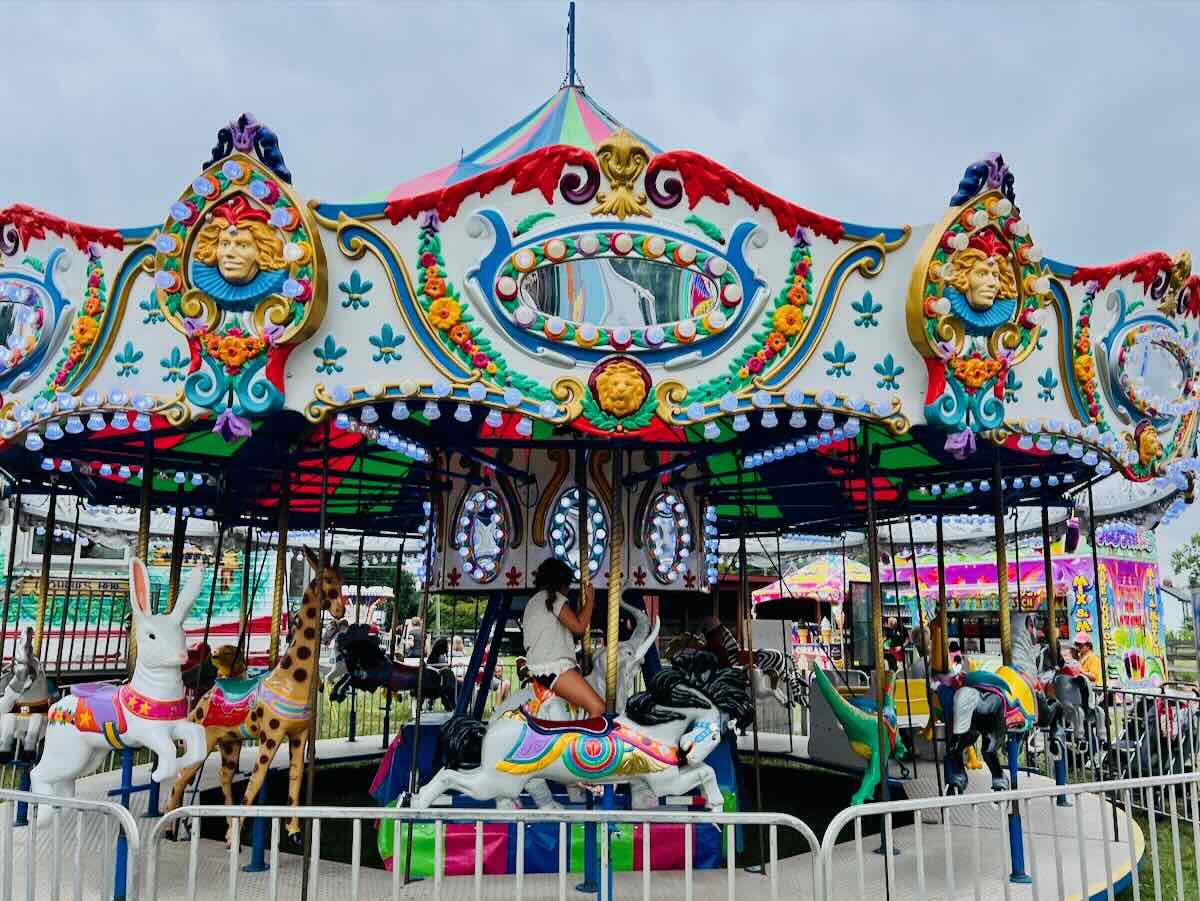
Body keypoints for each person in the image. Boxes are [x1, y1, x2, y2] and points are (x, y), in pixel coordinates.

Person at [522, 557, 604, 718]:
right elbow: (579, 627)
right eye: (568, 585)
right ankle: (588, 744)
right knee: (598, 708)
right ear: (562, 584)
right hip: (553, 667)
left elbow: (570, 629)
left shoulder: (533, 602)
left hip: (540, 668)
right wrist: (590, 602)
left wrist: (582, 609)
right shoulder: (553, 599)